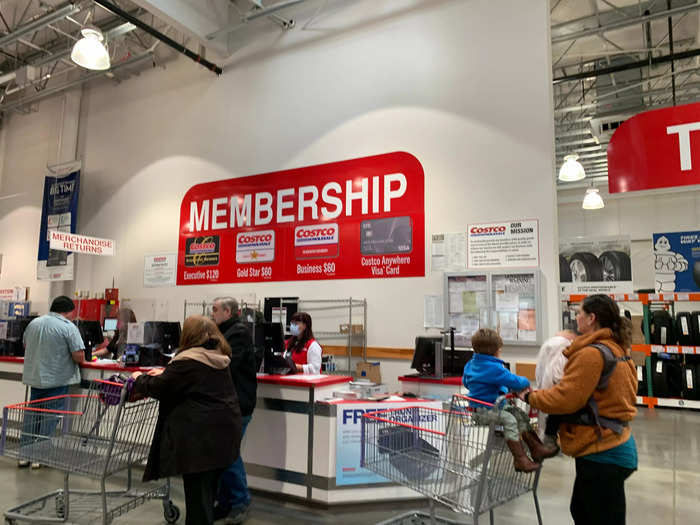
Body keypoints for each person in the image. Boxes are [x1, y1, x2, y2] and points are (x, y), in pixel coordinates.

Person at [525, 295, 638, 525]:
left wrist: (530, 397)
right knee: (583, 509)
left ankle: (546, 444)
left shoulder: (591, 354)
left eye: (579, 313)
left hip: (602, 450)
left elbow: (565, 398)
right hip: (615, 444)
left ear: (591, 318)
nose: (576, 318)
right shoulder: (617, 348)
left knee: (594, 516)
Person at [131, 316, 242, 525]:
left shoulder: (188, 360)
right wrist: (167, 373)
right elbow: (192, 381)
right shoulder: (218, 356)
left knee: (197, 498)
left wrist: (139, 377)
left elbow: (159, 387)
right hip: (224, 432)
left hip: (199, 440)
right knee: (207, 493)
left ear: (188, 334)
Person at [463, 328, 557, 473]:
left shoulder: (471, 364)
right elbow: (517, 382)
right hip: (485, 412)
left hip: (486, 408)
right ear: (496, 350)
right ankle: (520, 459)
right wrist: (525, 381)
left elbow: (466, 382)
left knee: (519, 414)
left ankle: (536, 448)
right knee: (510, 420)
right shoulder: (494, 368)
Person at [20, 295, 86, 469]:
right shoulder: (68, 327)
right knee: (50, 417)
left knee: (33, 415)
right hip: (57, 380)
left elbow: (26, 345)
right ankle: (39, 457)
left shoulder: (34, 324)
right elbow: (79, 356)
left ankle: (24, 455)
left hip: (35, 379)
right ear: (68, 311)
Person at [210, 297, 257, 524]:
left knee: (228, 454)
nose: (212, 313)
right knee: (222, 453)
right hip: (226, 402)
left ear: (228, 311)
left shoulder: (237, 333)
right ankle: (226, 502)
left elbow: (227, 363)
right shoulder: (222, 332)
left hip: (238, 403)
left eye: (216, 309)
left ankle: (240, 501)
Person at [534, 330, 576, 447]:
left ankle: (549, 438)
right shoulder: (562, 347)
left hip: (546, 390)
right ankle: (553, 439)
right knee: (557, 415)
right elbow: (559, 375)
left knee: (551, 416)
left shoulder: (548, 345)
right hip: (559, 391)